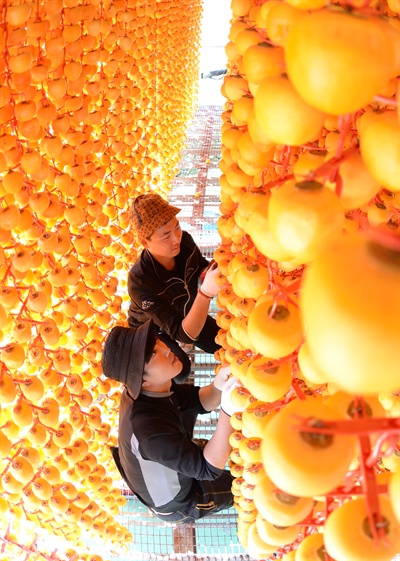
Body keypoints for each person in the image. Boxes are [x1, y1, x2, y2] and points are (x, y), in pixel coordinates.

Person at [101, 319, 242, 524]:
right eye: (153, 354)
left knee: (223, 444)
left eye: (156, 342)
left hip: (166, 451)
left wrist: (219, 385)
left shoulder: (154, 386)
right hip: (178, 501)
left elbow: (200, 401)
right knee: (242, 486)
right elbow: (209, 468)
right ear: (142, 380)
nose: (166, 348)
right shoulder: (148, 431)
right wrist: (228, 411)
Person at [127, 193, 222, 382]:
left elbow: (200, 268)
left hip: (183, 312)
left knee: (224, 343)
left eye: (177, 227)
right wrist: (206, 293)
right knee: (180, 370)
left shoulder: (184, 242)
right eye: (165, 236)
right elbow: (184, 334)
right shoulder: (140, 281)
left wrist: (220, 266)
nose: (176, 239)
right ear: (145, 243)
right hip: (150, 330)